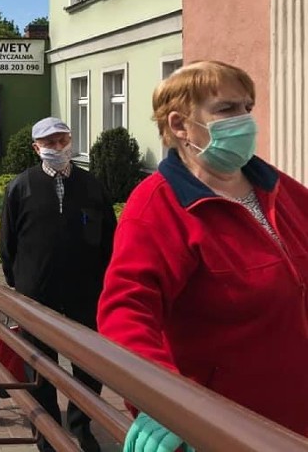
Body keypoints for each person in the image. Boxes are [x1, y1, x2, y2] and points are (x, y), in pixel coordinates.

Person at [97, 60, 308, 445]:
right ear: (180, 126)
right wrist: (163, 401)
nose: (244, 120)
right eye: (227, 110)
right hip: (229, 428)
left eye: (247, 107)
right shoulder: (158, 206)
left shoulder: (283, 190)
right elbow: (126, 313)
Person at [0, 116, 115, 452]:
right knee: (38, 363)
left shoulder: (92, 185)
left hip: (85, 292)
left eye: (63, 140)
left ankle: (81, 423)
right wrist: (19, 285)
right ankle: (47, 429)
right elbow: (8, 244)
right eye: (49, 143)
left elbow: (110, 236)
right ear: (36, 148)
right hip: (37, 294)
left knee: (90, 365)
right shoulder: (22, 186)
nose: (58, 147)